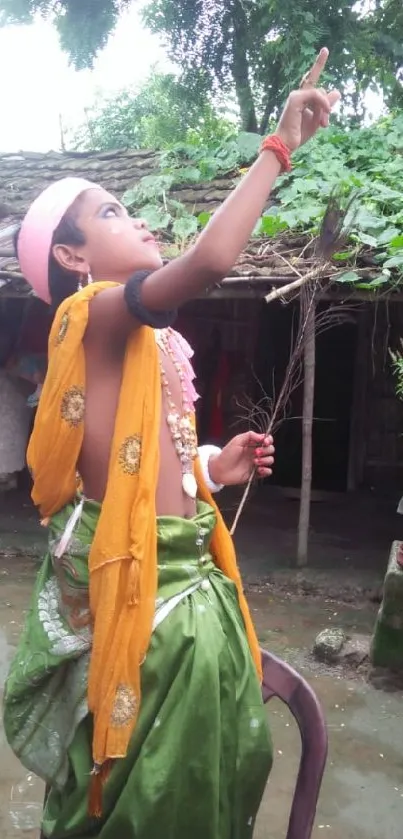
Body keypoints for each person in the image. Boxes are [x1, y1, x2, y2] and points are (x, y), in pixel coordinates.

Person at [3, 49, 339, 838]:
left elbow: (143, 466)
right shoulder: (84, 316)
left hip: (192, 585)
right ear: (71, 255)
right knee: (156, 800)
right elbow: (213, 260)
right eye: (114, 213)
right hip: (150, 603)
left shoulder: (149, 347)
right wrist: (277, 148)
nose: (139, 218)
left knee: (220, 779)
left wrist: (208, 468)